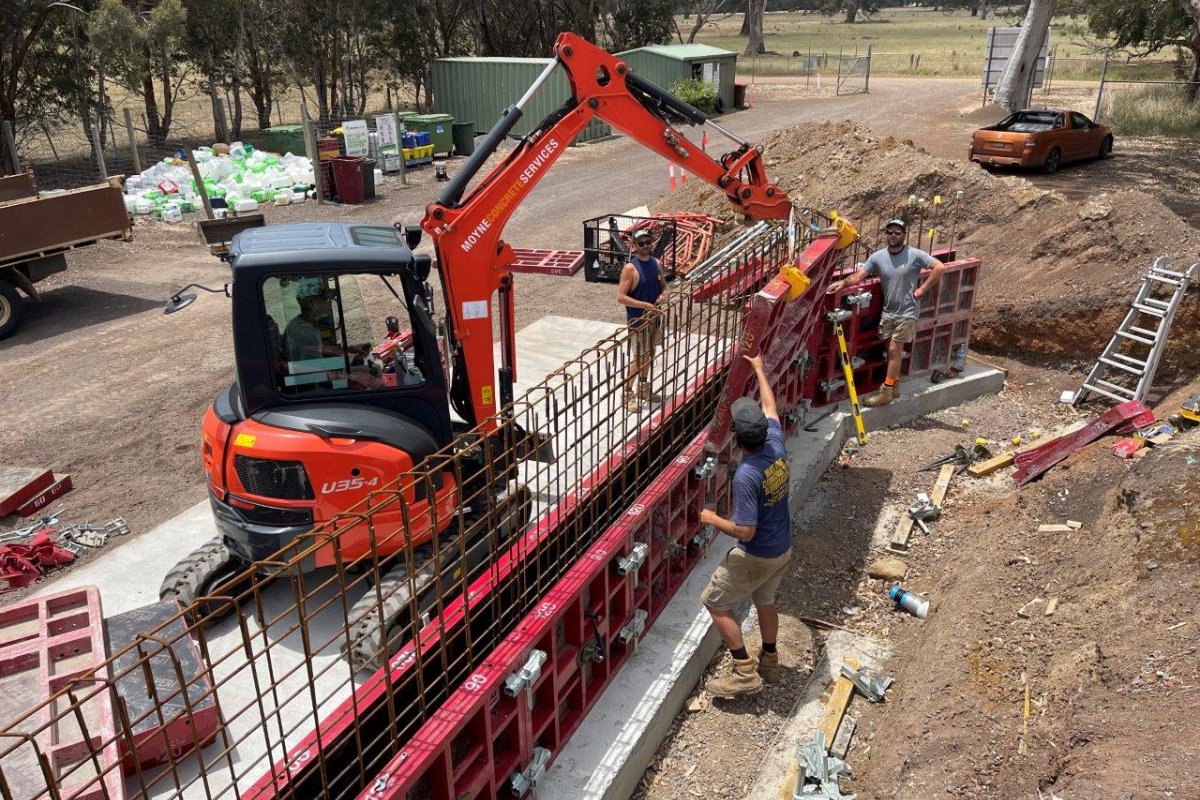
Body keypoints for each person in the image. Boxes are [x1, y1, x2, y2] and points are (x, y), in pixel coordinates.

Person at [698, 354, 791, 698]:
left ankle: (744, 672)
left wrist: (712, 520)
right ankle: (770, 659)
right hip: (782, 547)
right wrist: (759, 370)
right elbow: (771, 407)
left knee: (715, 602)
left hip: (757, 552)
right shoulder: (776, 443)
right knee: (764, 600)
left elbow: (745, 531)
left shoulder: (748, 475)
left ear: (735, 437)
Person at [828, 218, 945, 407]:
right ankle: (895, 386)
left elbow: (939, 267)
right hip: (888, 312)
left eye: (897, 232)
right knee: (889, 350)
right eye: (890, 232)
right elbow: (859, 276)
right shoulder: (878, 257)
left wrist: (922, 290)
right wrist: (843, 283)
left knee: (893, 350)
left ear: (903, 235)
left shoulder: (914, 255)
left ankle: (886, 391)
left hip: (907, 312)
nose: (893, 236)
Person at [616, 227, 668, 412]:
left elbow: (663, 286)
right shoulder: (630, 268)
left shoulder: (656, 263)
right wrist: (644, 305)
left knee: (649, 355)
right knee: (639, 358)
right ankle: (627, 394)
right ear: (634, 246)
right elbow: (621, 296)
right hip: (637, 322)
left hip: (653, 320)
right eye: (641, 243)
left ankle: (643, 388)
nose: (645, 246)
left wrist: (663, 295)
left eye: (648, 242)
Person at [285, 277, 336, 361]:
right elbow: (316, 370)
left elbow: (315, 350)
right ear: (312, 304)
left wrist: (342, 350)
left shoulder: (297, 323)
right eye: (325, 300)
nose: (329, 303)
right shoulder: (307, 334)